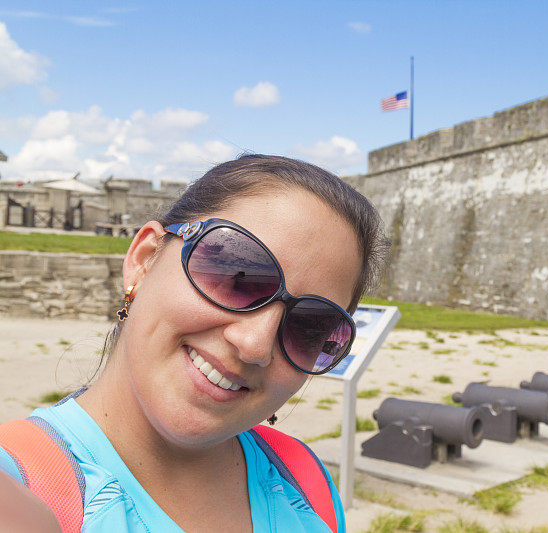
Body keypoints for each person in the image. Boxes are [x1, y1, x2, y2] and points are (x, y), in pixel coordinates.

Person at [0, 155, 389, 532]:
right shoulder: (19, 484)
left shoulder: (308, 480)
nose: (254, 344)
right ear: (145, 258)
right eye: (237, 273)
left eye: (309, 325)